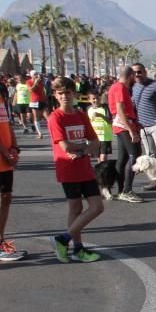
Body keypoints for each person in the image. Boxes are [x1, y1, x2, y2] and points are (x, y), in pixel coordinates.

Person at [47, 77, 104, 263]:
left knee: (97, 207)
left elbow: (95, 141)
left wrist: (83, 150)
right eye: (61, 93)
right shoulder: (55, 117)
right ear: (55, 95)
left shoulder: (80, 115)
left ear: (74, 94)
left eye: (68, 93)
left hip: (84, 167)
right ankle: (78, 249)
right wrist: (83, 149)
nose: (65, 96)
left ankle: (63, 239)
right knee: (76, 208)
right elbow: (64, 146)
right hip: (67, 168)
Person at [109, 66, 142, 203]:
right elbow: (120, 110)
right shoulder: (120, 88)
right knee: (134, 154)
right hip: (123, 125)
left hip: (122, 124)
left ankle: (121, 189)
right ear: (131, 77)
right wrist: (131, 130)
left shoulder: (116, 87)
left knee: (122, 159)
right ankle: (127, 190)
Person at [0, 89, 26, 261]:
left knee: (6, 197)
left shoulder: (1, 97)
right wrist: (6, 153)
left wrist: (15, 148)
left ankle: (1, 240)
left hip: (5, 159)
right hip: (2, 157)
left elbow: (7, 124)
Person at [131, 63, 156, 166]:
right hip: (142, 127)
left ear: (145, 72)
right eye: (134, 72)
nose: (137, 74)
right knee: (150, 156)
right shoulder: (135, 87)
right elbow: (134, 105)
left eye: (139, 72)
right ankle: (155, 180)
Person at [87, 91, 113, 162]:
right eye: (93, 98)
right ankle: (101, 172)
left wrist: (101, 115)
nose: (96, 100)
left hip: (105, 137)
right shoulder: (88, 109)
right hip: (95, 137)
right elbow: (88, 122)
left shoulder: (105, 108)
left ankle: (104, 172)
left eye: (97, 98)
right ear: (89, 100)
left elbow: (110, 122)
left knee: (103, 158)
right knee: (98, 158)